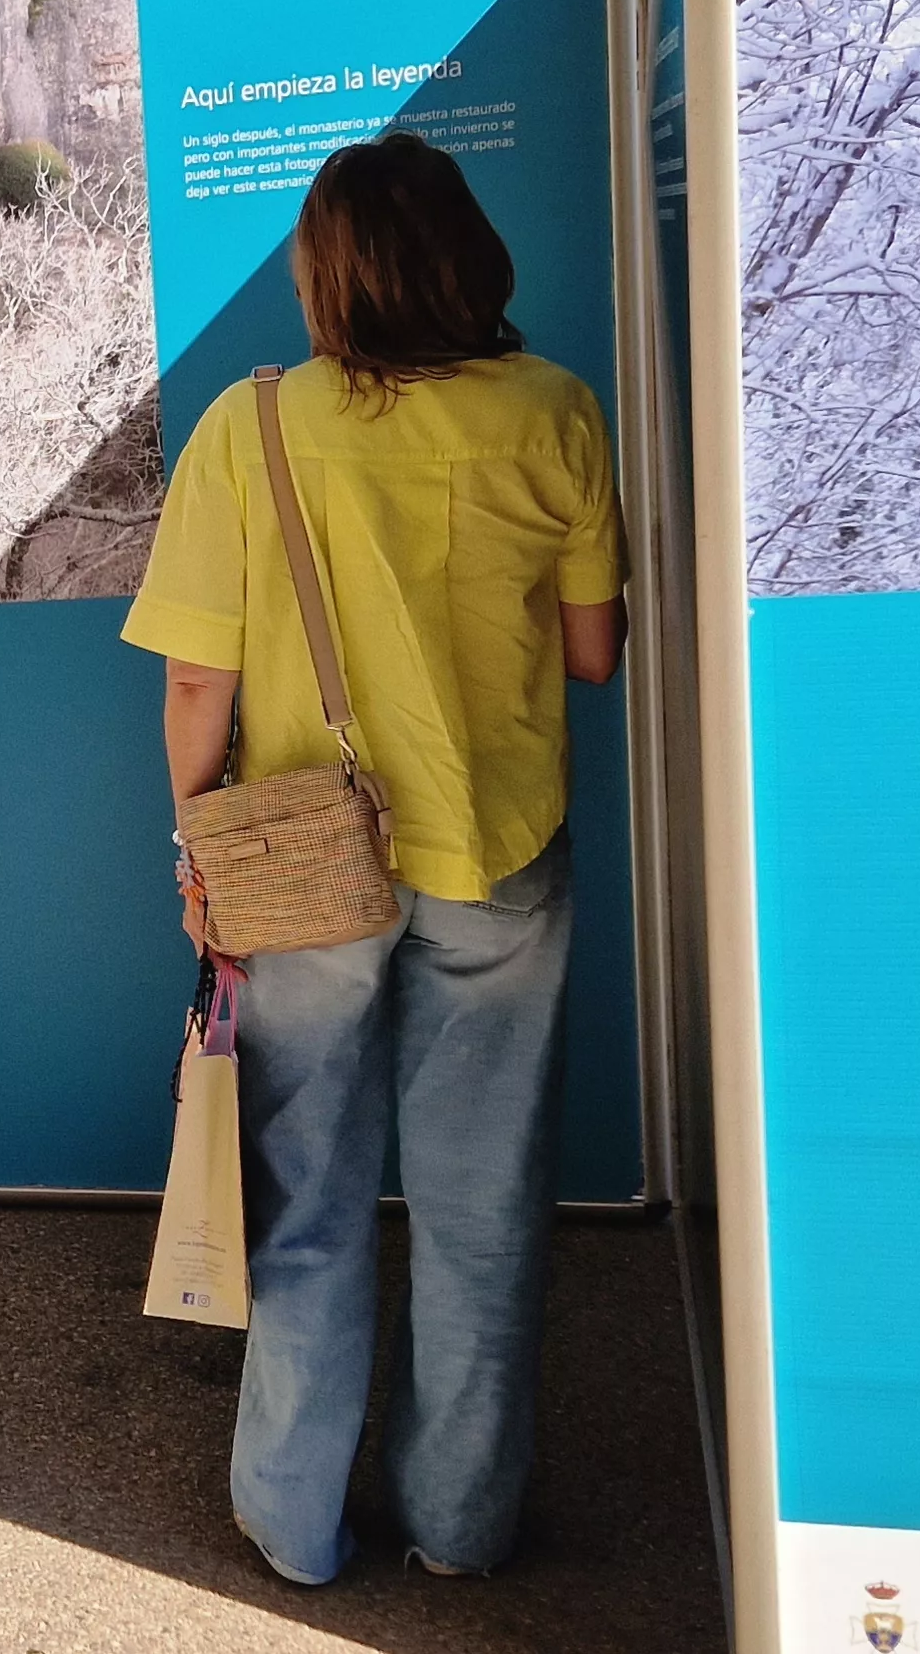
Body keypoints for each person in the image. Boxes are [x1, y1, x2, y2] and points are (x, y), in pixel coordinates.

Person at [119, 133, 626, 1585]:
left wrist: (197, 847)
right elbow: (593, 656)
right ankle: (463, 1523)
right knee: (483, 1205)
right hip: (500, 854)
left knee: (307, 1200)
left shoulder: (250, 426)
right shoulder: (557, 414)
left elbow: (195, 687)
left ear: (327, 274)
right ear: (470, 258)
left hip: (303, 870)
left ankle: (295, 1524)